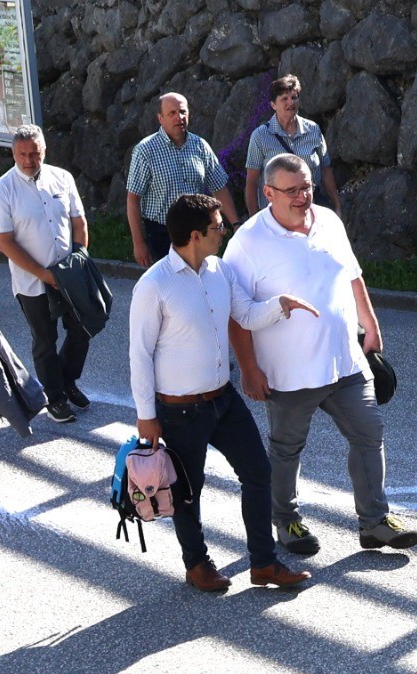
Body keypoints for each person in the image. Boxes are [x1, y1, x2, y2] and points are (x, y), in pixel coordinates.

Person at [225, 154, 417, 556]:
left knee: (368, 434)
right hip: (289, 372)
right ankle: (286, 520)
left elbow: (352, 274)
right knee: (286, 448)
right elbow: (235, 312)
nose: (303, 197)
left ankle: (374, 522)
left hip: (345, 360)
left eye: (307, 187)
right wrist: (248, 368)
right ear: (268, 194)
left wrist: (370, 324)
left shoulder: (328, 221)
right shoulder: (247, 242)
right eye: (293, 190)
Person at [129, 192, 315, 594]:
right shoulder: (155, 285)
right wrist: (147, 415)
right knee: (187, 492)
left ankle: (263, 563)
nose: (223, 230)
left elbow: (245, 314)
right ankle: (197, 564)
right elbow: (139, 355)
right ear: (195, 235)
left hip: (223, 400)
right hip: (179, 411)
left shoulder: (219, 270)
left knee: (258, 473)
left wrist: (280, 305)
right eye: (217, 226)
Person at [0, 124, 89, 426]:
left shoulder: (63, 178)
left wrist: (79, 259)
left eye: (35, 153)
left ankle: (66, 379)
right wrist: (44, 274)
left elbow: (79, 222)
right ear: (13, 153)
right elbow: (5, 243)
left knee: (83, 329)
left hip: (69, 273)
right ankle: (55, 398)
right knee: (45, 339)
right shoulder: (2, 190)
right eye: (22, 154)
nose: (29, 160)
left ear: (44, 150)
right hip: (32, 281)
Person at [126, 92, 239, 268]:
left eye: (182, 112)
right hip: (161, 233)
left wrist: (236, 224)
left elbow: (219, 188)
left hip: (198, 231)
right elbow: (133, 199)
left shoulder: (200, 146)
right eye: (172, 113)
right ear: (160, 118)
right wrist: (138, 243)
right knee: (171, 285)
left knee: (199, 277)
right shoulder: (145, 151)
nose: (179, 117)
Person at [243, 74, 341, 218]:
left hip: (309, 214)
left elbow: (326, 171)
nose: (291, 102)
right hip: (275, 219)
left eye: (294, 97)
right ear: (273, 105)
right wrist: (254, 220)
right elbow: (251, 183)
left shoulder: (313, 130)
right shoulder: (260, 136)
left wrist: (337, 206)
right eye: (284, 99)